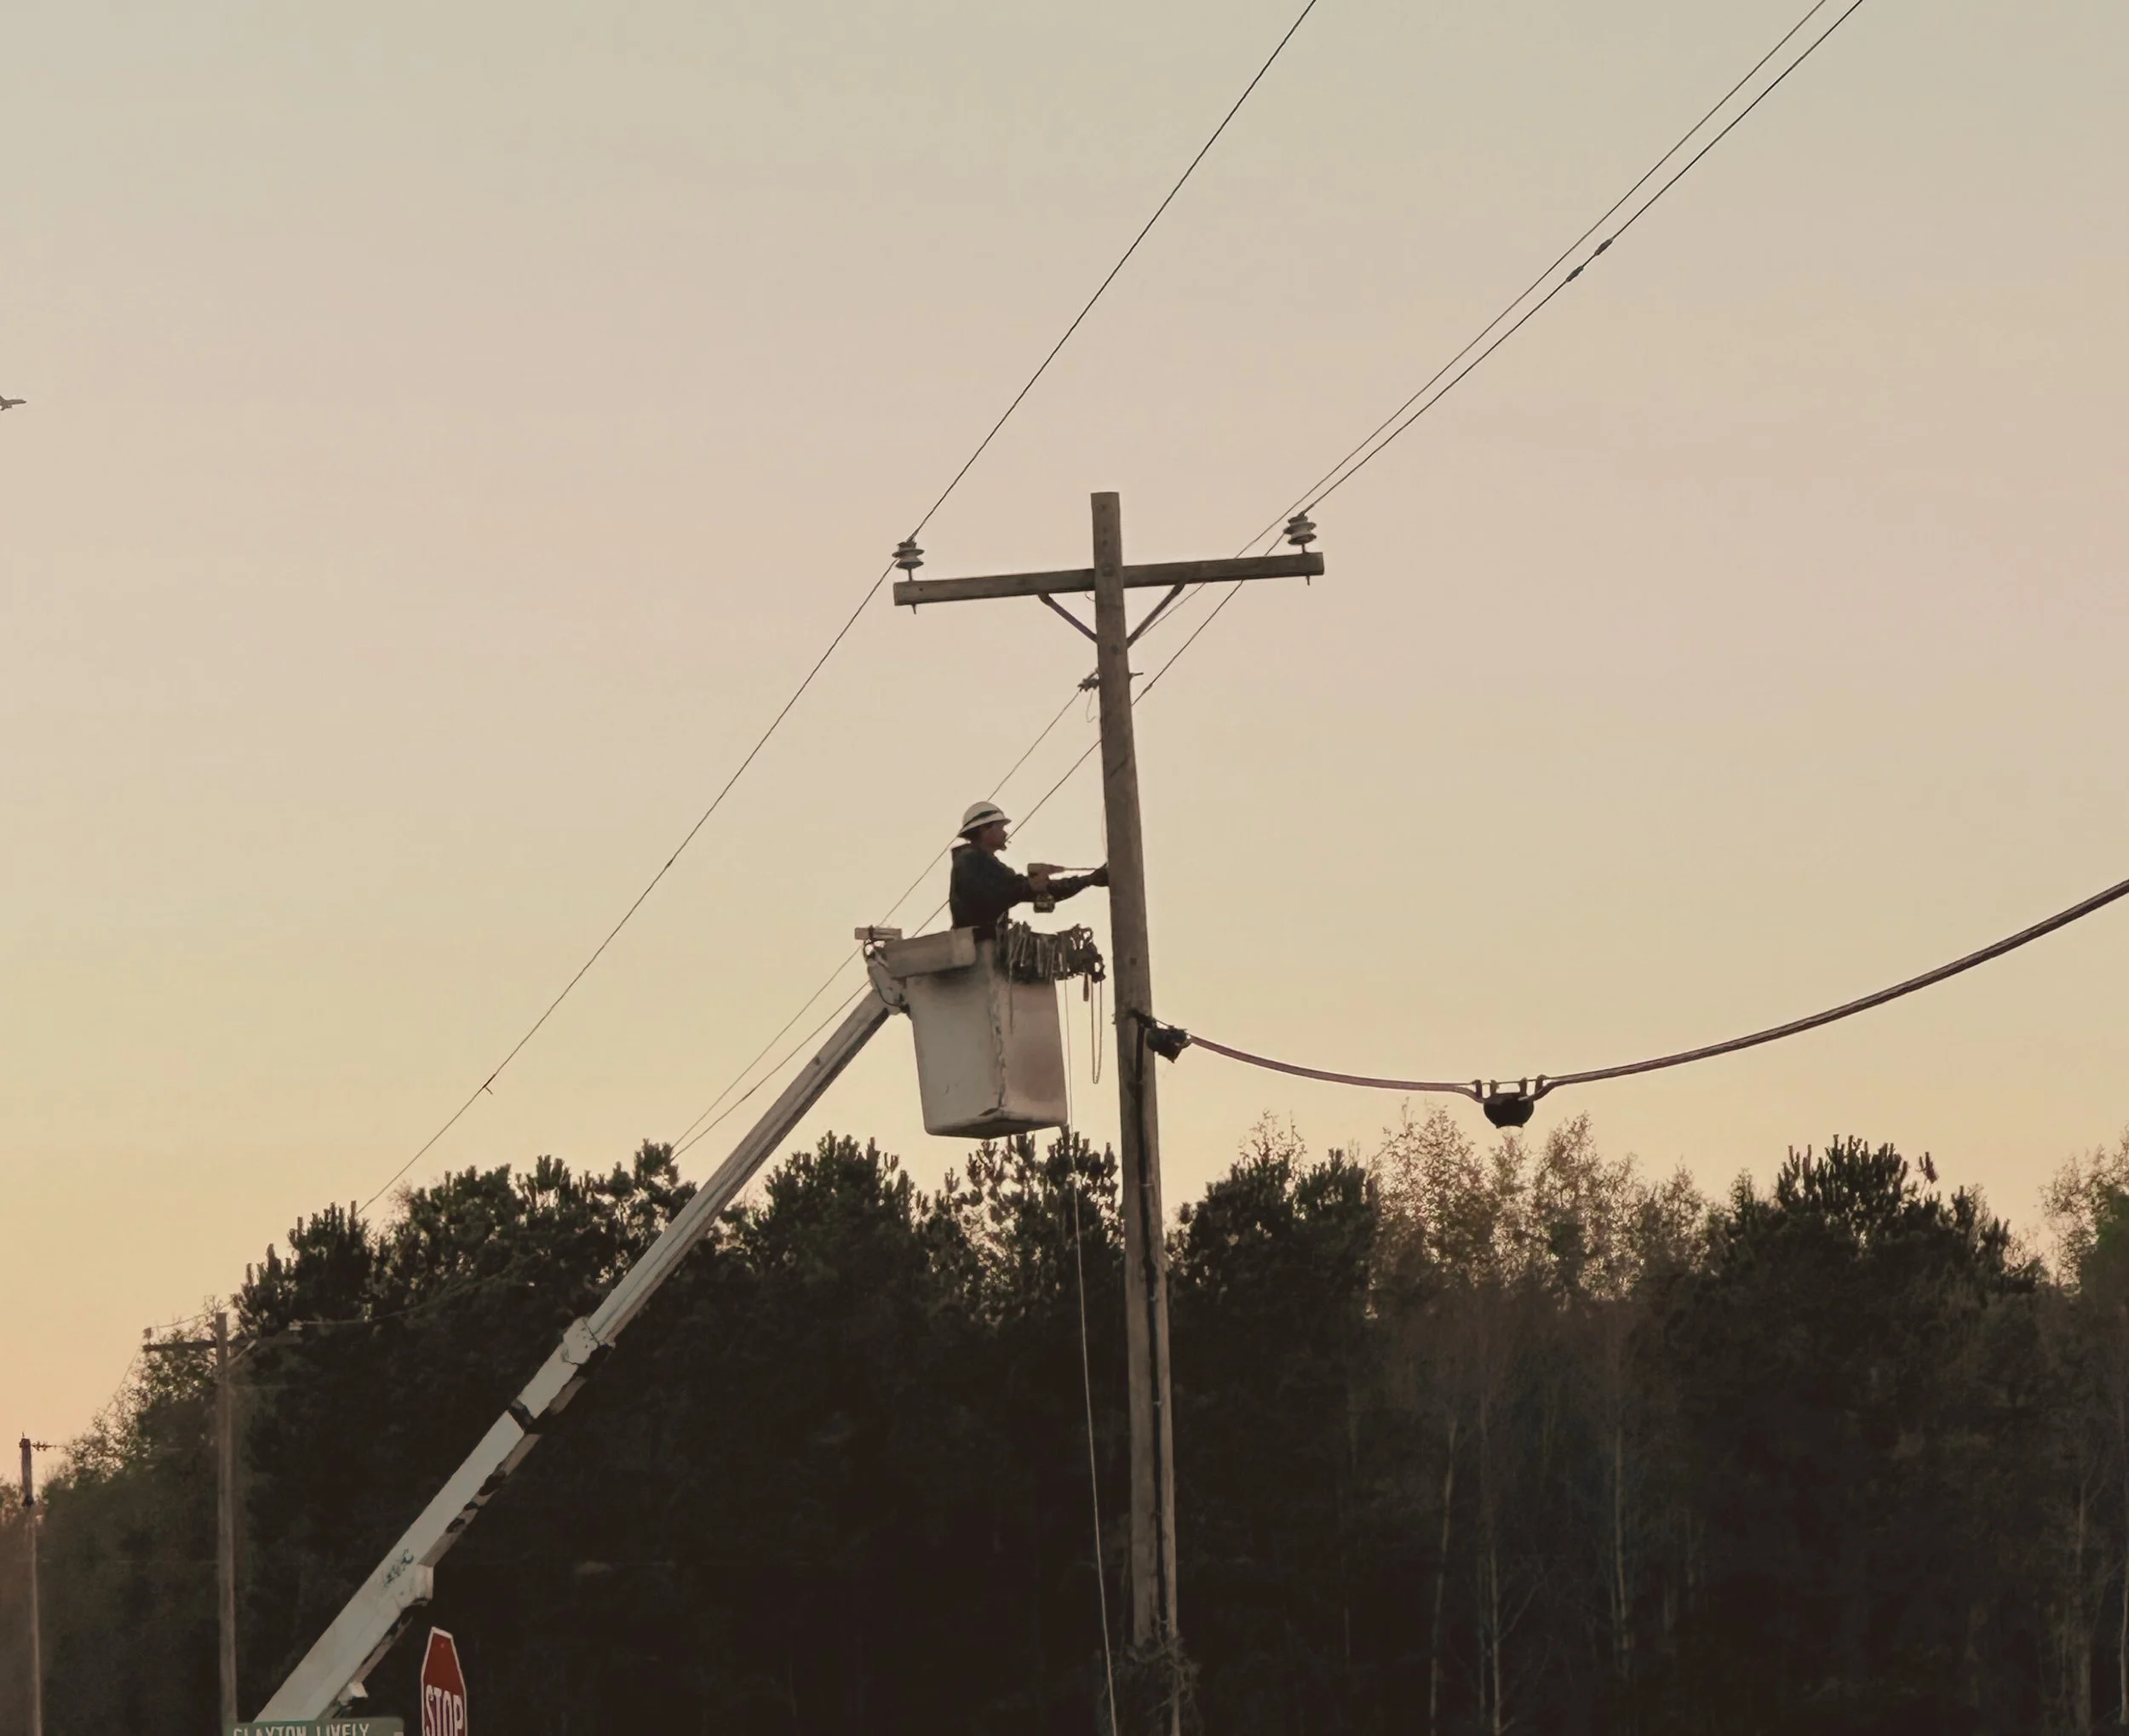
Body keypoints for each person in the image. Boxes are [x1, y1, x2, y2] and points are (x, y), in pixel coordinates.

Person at [949, 801, 1107, 940]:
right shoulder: (968, 861)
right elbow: (989, 898)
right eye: (1001, 827)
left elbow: (1035, 890)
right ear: (984, 829)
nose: (1005, 833)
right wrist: (1029, 887)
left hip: (984, 946)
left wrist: (1089, 880)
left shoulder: (990, 865)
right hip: (974, 946)